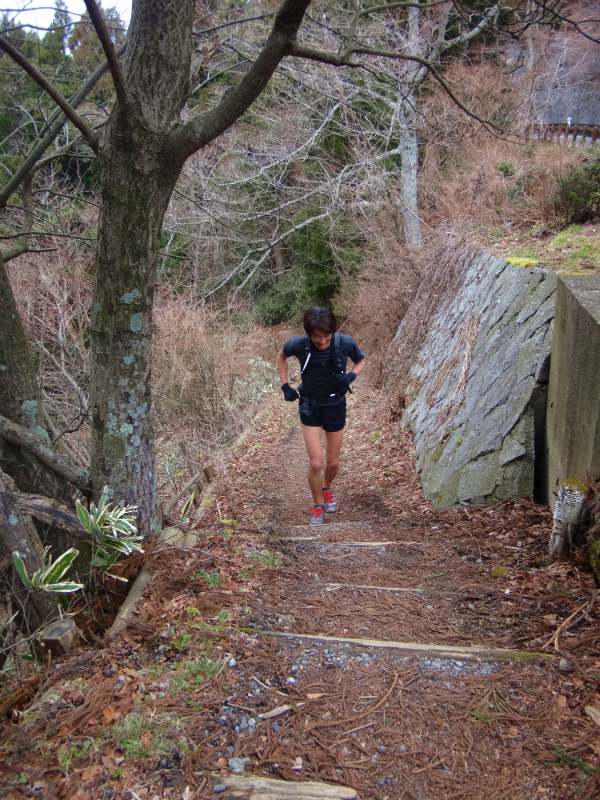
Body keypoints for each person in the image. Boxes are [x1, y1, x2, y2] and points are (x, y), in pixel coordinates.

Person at [276, 307, 366, 525]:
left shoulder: (343, 342)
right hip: (311, 406)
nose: (322, 341)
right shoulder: (300, 344)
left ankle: (326, 488)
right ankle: (318, 505)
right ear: (309, 334)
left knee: (332, 463)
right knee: (316, 462)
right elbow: (281, 355)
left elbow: (361, 361)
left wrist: (350, 377)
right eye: (317, 337)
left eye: (326, 336)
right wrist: (285, 386)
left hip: (335, 404)